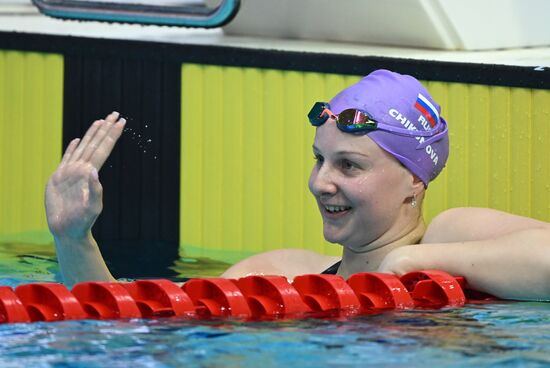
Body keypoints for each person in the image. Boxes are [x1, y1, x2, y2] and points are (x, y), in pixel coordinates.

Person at [45, 69, 550, 300]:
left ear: (414, 180)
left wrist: (411, 263)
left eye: (349, 166)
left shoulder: (450, 236)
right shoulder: (281, 273)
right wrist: (74, 238)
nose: (320, 182)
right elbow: (126, 330)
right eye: (318, 160)